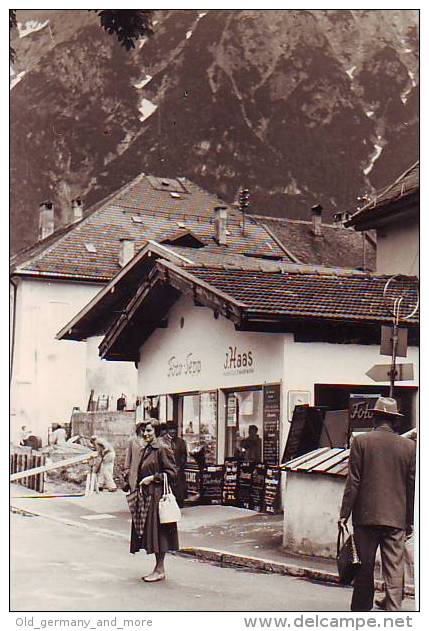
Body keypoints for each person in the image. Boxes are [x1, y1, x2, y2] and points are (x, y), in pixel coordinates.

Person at [338, 397, 416, 612]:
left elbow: (353, 481)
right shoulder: (409, 447)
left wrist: (344, 514)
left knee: (365, 566)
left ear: (375, 417)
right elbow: (411, 488)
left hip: (366, 516)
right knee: (394, 566)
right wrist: (409, 520)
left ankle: (362, 609)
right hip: (396, 517)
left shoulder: (361, 442)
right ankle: (393, 608)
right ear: (394, 421)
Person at [130, 420, 179, 582]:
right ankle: (158, 569)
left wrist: (152, 478)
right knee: (153, 534)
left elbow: (172, 473)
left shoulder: (162, 448)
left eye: (149, 431)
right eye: (144, 431)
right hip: (148, 496)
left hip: (157, 496)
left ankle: (160, 570)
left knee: (159, 533)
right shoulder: (148, 448)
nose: (146, 434)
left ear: (156, 432)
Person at [165, 421, 188, 508]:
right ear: (167, 430)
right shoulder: (163, 441)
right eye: (171, 429)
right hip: (167, 470)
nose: (173, 431)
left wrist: (180, 466)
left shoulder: (181, 442)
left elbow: (184, 455)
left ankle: (178, 505)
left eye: (174, 429)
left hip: (178, 471)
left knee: (179, 490)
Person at [123, 423, 146, 492]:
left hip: (144, 467)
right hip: (134, 468)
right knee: (134, 489)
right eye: (142, 430)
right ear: (138, 430)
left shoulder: (147, 440)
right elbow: (128, 455)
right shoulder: (132, 440)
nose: (144, 432)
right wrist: (127, 468)